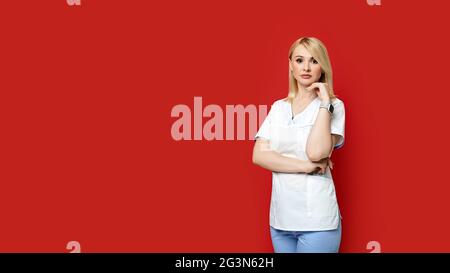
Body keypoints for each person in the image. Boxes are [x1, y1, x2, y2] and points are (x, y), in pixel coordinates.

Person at [252, 37, 345, 253]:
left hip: (317, 222)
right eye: (299, 60)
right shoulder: (279, 108)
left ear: (322, 67)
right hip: (280, 219)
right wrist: (306, 167)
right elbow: (259, 156)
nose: (305, 67)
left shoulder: (334, 106)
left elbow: (316, 151)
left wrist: (324, 104)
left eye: (314, 61)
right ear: (290, 65)